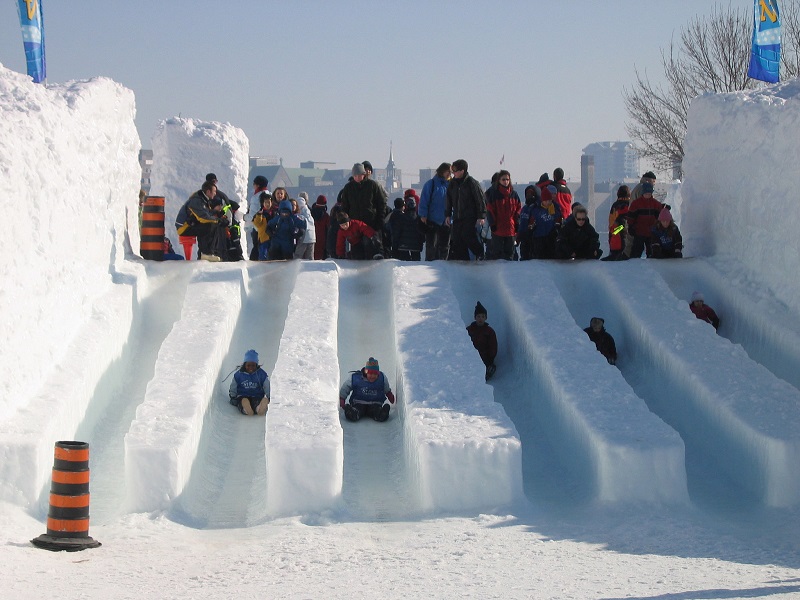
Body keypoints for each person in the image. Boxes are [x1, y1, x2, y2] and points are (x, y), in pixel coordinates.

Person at [339, 163, 389, 255]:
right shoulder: (348, 187)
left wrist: (380, 220)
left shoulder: (372, 185)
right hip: (354, 224)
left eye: (359, 175)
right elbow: (345, 206)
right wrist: (345, 220)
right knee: (357, 250)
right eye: (355, 175)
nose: (357, 177)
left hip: (370, 223)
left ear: (364, 174)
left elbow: (381, 203)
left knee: (370, 245)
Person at [174, 181, 229, 262]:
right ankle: (206, 253)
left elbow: (206, 212)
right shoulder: (196, 201)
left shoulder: (203, 200)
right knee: (210, 225)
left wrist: (216, 213)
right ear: (208, 191)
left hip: (191, 225)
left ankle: (208, 253)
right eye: (214, 192)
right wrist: (218, 220)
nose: (215, 194)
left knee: (212, 225)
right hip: (184, 227)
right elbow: (203, 218)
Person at [445, 159, 486, 261]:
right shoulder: (453, 184)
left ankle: (480, 254)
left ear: (462, 171)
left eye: (455, 170)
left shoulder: (472, 183)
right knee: (457, 239)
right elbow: (449, 200)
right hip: (457, 216)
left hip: (470, 216)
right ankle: (462, 261)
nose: (453, 173)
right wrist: (448, 214)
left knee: (468, 236)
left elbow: (480, 200)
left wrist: (481, 216)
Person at [339, 357, 395, 422]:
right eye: (370, 374)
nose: (372, 376)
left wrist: (389, 394)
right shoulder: (356, 378)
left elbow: (386, 387)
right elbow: (346, 387)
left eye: (375, 374)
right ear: (366, 372)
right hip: (359, 402)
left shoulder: (382, 378)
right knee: (356, 414)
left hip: (375, 403)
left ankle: (382, 413)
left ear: (378, 374)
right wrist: (342, 398)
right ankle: (351, 412)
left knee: (377, 414)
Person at [485, 170, 521, 260]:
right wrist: (492, 224)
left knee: (510, 255)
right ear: (499, 181)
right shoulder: (494, 194)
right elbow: (490, 210)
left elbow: (518, 210)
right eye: (503, 179)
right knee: (497, 255)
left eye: (507, 179)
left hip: (511, 229)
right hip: (498, 230)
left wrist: (517, 224)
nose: (505, 181)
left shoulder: (514, 194)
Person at [418, 163, 451, 260]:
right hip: (433, 219)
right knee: (432, 245)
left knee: (445, 245)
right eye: (447, 171)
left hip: (447, 220)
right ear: (442, 171)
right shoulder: (431, 184)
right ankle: (430, 263)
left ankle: (443, 264)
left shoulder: (452, 184)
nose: (449, 173)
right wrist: (423, 215)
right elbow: (424, 200)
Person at [627, 182, 666, 258]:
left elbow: (660, 214)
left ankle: (651, 264)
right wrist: (631, 226)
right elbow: (631, 216)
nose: (647, 195)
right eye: (646, 193)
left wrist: (664, 208)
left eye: (649, 193)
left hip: (652, 232)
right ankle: (633, 264)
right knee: (636, 250)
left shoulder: (655, 204)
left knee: (651, 251)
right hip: (639, 231)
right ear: (642, 193)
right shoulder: (636, 204)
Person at [229, 349, 270, 416]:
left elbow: (267, 386)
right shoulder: (239, 374)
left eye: (253, 365)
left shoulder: (261, 374)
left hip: (257, 396)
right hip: (242, 396)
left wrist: (269, 396)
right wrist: (233, 397)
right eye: (248, 365)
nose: (251, 368)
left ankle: (259, 408)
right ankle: (246, 408)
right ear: (244, 365)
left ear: (256, 365)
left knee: (256, 403)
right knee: (242, 401)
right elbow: (233, 386)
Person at [467, 301, 498, 381]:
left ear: (485, 318)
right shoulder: (469, 330)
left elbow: (493, 345)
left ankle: (487, 372)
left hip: (485, 356)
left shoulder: (489, 331)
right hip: (472, 356)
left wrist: (491, 357)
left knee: (487, 366)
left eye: (483, 316)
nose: (480, 319)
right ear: (475, 317)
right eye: (478, 316)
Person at [529, 185, 562, 259]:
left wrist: (558, 225)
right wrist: (531, 226)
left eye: (549, 200)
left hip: (551, 237)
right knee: (539, 255)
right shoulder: (536, 209)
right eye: (546, 201)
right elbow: (532, 220)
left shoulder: (555, 208)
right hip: (539, 236)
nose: (548, 202)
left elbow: (559, 218)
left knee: (551, 254)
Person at [603, 185, 631, 261]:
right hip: (625, 232)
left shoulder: (615, 205)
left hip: (614, 231)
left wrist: (613, 232)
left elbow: (611, 219)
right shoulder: (629, 205)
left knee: (613, 254)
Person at [393, 196, 425, 261]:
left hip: (403, 246)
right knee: (416, 265)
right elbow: (422, 233)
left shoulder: (401, 217)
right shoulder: (419, 218)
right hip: (416, 246)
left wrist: (396, 244)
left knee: (404, 264)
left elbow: (397, 232)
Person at [252, 192, 274, 260]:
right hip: (263, 238)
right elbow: (257, 224)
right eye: (265, 202)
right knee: (263, 254)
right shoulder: (260, 213)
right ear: (263, 203)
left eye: (269, 202)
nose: (267, 204)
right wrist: (259, 215)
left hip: (273, 237)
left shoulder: (275, 212)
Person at [294, 195, 316, 259]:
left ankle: (295, 268)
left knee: (298, 256)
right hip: (312, 238)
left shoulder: (300, 214)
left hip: (304, 237)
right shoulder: (309, 213)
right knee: (310, 257)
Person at [311, 195, 330, 260]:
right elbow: (328, 227)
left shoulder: (311, 213)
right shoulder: (326, 216)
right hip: (322, 238)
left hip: (312, 237)